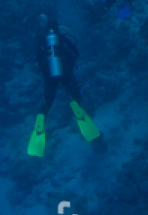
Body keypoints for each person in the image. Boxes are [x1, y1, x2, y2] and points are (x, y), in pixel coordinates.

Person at [27, 13, 101, 157]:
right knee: (75, 96)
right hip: (65, 73)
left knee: (48, 101)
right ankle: (75, 106)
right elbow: (75, 51)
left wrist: (44, 72)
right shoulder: (62, 37)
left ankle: (42, 114)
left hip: (49, 76)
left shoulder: (42, 40)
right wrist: (70, 66)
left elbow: (38, 61)